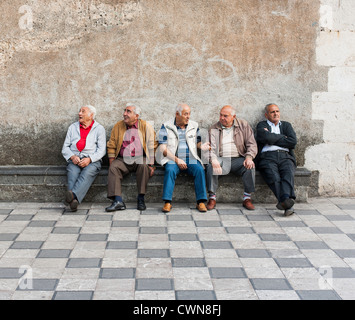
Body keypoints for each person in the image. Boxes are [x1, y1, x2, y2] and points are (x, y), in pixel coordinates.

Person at [156, 103, 210, 213]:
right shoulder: (165, 126)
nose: (188, 116)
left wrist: (202, 146)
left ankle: (200, 202)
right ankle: (167, 203)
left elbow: (197, 142)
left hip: (190, 158)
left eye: (189, 114)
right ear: (177, 114)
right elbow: (162, 148)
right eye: (185, 114)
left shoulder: (194, 125)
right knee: (170, 170)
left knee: (199, 169)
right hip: (172, 159)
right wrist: (177, 159)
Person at [105, 104, 158, 211]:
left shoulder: (145, 126)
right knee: (113, 168)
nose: (124, 114)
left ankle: (141, 199)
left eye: (128, 111)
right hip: (122, 159)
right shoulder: (118, 126)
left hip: (140, 158)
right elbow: (111, 145)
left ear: (136, 115)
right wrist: (112, 162)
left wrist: (151, 165)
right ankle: (118, 201)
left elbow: (152, 146)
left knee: (144, 166)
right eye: (124, 111)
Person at [206, 105, 258, 210]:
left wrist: (249, 157)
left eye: (225, 116)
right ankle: (212, 197)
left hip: (238, 158)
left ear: (233, 116)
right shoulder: (214, 128)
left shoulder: (243, 125)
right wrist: (214, 159)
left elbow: (251, 144)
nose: (222, 118)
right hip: (221, 159)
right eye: (220, 115)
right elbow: (209, 148)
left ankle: (247, 198)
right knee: (211, 167)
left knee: (250, 166)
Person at [255, 103, 297, 216]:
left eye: (277, 111)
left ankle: (284, 201)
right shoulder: (261, 125)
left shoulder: (286, 125)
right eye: (272, 112)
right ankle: (287, 201)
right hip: (267, 157)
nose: (275, 114)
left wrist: (271, 138)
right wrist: (284, 138)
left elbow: (293, 142)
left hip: (285, 156)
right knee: (274, 176)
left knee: (288, 174)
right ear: (266, 114)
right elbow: (265, 137)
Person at [62, 105, 106, 211]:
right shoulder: (73, 127)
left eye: (83, 111)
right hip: (75, 159)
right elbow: (65, 147)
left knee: (88, 173)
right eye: (79, 111)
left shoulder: (99, 129)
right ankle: (74, 201)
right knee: (72, 172)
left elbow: (102, 150)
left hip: (92, 161)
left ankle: (72, 197)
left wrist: (90, 159)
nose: (79, 114)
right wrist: (72, 156)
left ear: (91, 115)